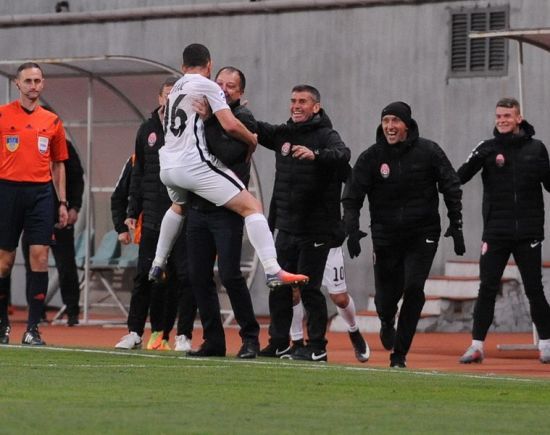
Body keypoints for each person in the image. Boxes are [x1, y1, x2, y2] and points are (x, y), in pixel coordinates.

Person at [148, 43, 308, 291]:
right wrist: (251, 140)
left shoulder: (176, 86)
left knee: (178, 206)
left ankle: (158, 263)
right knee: (252, 207)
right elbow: (231, 125)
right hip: (192, 166)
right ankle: (272, 269)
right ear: (209, 65)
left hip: (167, 167)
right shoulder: (206, 85)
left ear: (183, 66)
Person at [342, 101, 464, 368]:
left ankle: (399, 354)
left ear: (406, 125)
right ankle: (387, 320)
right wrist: (351, 229)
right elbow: (352, 196)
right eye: (386, 121)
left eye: (395, 121)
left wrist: (456, 224)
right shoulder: (371, 157)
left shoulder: (429, 152)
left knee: (414, 288)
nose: (390, 126)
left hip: (423, 234)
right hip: (386, 237)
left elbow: (451, 185)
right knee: (385, 299)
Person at [256, 85, 351, 362]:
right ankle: (279, 342)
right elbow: (256, 128)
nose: (296, 106)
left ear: (316, 107)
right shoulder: (283, 134)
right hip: (286, 227)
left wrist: (316, 155)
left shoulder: (326, 135)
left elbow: (343, 154)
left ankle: (317, 346)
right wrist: (232, 108)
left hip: (316, 229)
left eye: (303, 101)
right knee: (279, 286)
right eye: (293, 101)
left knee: (309, 288)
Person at [457, 98, 550, 365]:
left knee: (534, 289)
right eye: (499, 116)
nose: (502, 120)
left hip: (529, 232)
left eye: (507, 116)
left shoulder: (537, 149)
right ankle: (476, 346)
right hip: (496, 232)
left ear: (519, 118)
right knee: (487, 288)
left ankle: (546, 344)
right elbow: (459, 176)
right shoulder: (487, 148)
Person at [113, 77, 197, 351]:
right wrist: (132, 211)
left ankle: (184, 335)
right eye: (167, 95)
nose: (171, 100)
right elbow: (138, 174)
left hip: (183, 217)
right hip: (152, 217)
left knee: (185, 277)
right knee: (144, 277)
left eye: (176, 95)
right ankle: (134, 332)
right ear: (159, 98)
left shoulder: (191, 126)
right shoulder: (146, 130)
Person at [186, 66, 261, 358]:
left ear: (240, 93)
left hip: (227, 210)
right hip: (198, 207)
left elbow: (227, 155)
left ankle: (250, 338)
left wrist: (208, 121)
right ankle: (213, 340)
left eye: (230, 86)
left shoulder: (243, 119)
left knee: (230, 275)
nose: (223, 90)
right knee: (198, 276)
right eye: (219, 83)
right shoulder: (201, 114)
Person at [0, 62, 68, 345]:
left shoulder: (52, 121)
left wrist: (62, 201)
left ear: (43, 83)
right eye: (28, 81)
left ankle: (32, 329)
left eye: (37, 81)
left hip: (40, 194)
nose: (33, 86)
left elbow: (59, 164)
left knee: (40, 256)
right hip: (7, 191)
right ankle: (2, 325)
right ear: (17, 84)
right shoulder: (2, 115)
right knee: (4, 261)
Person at [22, 136, 84, 326]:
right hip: (33, 217)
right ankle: (36, 312)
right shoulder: (25, 144)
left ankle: (72, 311)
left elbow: (76, 178)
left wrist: (74, 207)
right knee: (32, 264)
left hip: (59, 218)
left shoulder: (64, 146)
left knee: (66, 265)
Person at [289, 234, 370, 363]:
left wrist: (349, 231)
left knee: (340, 298)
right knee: (294, 291)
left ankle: (353, 330)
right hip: (303, 240)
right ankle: (297, 342)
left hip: (329, 244)